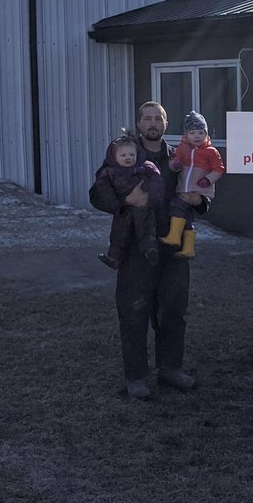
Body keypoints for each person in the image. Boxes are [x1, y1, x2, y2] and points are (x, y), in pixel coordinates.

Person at [89, 101, 205, 400]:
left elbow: (203, 189)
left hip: (175, 247)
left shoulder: (181, 156)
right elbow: (96, 194)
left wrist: (199, 202)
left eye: (159, 118)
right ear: (139, 124)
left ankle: (170, 369)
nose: (153, 123)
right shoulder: (124, 155)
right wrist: (127, 201)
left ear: (166, 125)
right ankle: (137, 377)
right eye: (148, 118)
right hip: (136, 249)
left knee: (173, 311)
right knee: (134, 312)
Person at [94, 130, 165, 269]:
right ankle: (114, 258)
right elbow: (103, 191)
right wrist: (118, 206)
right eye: (123, 155)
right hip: (123, 210)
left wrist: (152, 199)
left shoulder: (145, 167)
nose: (128, 158)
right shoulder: (109, 172)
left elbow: (157, 181)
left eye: (132, 155)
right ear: (114, 157)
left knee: (147, 228)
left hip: (143, 207)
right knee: (119, 233)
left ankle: (151, 251)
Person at [159, 110, 224, 259]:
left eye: (201, 133)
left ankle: (174, 237)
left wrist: (207, 180)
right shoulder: (182, 149)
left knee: (176, 206)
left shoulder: (211, 152)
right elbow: (171, 165)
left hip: (200, 191)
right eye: (193, 132)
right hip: (184, 188)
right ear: (186, 135)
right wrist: (176, 164)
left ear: (206, 135)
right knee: (187, 218)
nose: (197, 136)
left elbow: (218, 169)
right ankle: (188, 249)